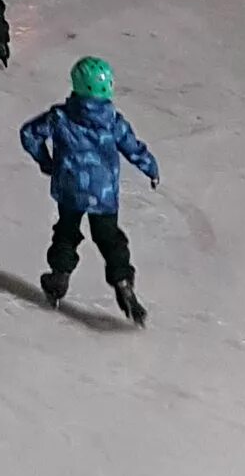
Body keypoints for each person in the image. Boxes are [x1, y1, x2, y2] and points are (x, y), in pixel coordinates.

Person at [18, 55, 158, 324]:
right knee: (109, 238)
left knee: (66, 233)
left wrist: (45, 161)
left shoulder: (59, 117)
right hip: (103, 193)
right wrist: (150, 168)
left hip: (70, 189)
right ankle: (122, 281)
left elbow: (29, 134)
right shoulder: (113, 121)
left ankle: (59, 278)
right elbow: (132, 147)